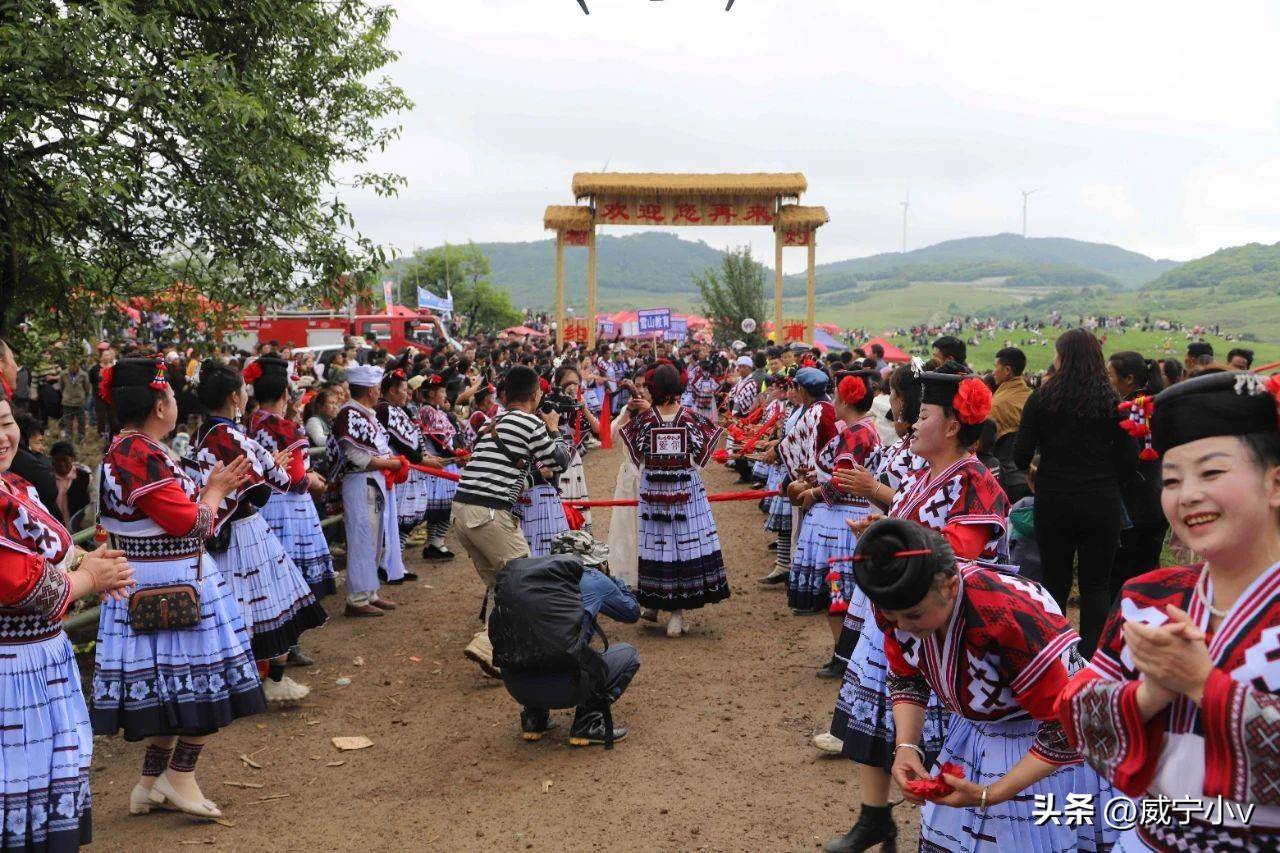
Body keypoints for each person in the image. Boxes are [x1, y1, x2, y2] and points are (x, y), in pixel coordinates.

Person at [1058, 370, 1280, 852]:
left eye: (1212, 472)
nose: (1187, 495)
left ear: (1275, 483)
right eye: (1172, 479)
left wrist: (1203, 684)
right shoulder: (1148, 597)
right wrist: (1150, 693)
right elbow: (1075, 713)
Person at [851, 519, 1117, 853]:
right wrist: (906, 745)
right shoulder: (899, 598)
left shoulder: (1005, 618)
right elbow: (908, 675)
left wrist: (991, 794)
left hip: (1047, 747)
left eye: (913, 616)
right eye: (893, 617)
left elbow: (1069, 727)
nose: (901, 626)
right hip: (978, 733)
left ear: (949, 586)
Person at [826, 364, 1007, 852]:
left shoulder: (976, 483)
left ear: (951, 425)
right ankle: (875, 817)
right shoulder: (923, 474)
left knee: (936, 741)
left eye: (922, 414)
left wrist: (892, 539)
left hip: (943, 631)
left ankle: (938, 830)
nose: (911, 423)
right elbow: (911, 530)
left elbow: (956, 554)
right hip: (896, 619)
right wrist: (880, 529)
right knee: (880, 721)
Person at [93, 356, 264, 820]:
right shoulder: (138, 453)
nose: (174, 403)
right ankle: (180, 776)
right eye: (168, 396)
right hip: (169, 585)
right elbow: (190, 525)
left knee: (173, 690)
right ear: (157, 405)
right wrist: (213, 491)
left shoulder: (133, 449)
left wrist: (213, 489)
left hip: (160, 582)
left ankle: (149, 784)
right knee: (198, 690)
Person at [0, 386, 134, 849]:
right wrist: (87, 580)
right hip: (10, 670)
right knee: (15, 783)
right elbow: (17, 580)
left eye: (5, 422)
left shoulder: (14, 487)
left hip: (41, 661)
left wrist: (88, 562)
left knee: (48, 775)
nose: (3, 436)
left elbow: (56, 548)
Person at [191, 359, 326, 703]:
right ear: (235, 398)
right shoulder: (233, 436)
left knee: (229, 608)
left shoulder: (198, 435)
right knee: (267, 606)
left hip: (213, 534)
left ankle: (237, 683)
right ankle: (271, 681)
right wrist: (273, 466)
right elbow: (263, 491)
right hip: (245, 532)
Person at [1014, 329, 1136, 657]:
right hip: (1101, 499)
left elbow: (1020, 454)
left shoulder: (1042, 398)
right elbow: (1129, 458)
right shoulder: (1113, 402)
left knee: (1055, 580)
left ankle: (1055, 653)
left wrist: (1034, 472)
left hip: (1054, 497)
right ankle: (1092, 659)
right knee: (1097, 584)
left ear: (1062, 357)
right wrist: (1108, 482)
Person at [452, 365, 566, 676]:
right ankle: (487, 643)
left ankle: (500, 651)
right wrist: (554, 427)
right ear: (535, 395)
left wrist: (532, 476)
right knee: (523, 580)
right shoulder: (531, 424)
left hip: (462, 513)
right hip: (488, 515)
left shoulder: (493, 422)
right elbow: (560, 461)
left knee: (500, 584)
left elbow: (503, 475)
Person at [493, 531, 639, 746]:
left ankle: (534, 719)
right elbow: (632, 612)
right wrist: (611, 579)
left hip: (516, 686)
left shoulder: (527, 579)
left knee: (538, 639)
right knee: (628, 654)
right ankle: (588, 722)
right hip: (566, 686)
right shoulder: (594, 578)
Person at [620, 362, 728, 638]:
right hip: (685, 491)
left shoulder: (644, 421)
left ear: (653, 389)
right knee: (684, 545)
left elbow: (632, 457)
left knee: (657, 545)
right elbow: (705, 455)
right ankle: (676, 616)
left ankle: (656, 602)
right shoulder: (690, 418)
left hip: (653, 492)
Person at [788, 369, 882, 677]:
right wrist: (814, 477)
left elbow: (842, 480)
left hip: (841, 521)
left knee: (838, 592)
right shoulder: (863, 430)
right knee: (839, 593)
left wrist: (813, 492)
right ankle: (844, 653)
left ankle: (844, 656)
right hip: (843, 518)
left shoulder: (858, 433)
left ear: (844, 400)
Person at [248, 356, 336, 613]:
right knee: (293, 578)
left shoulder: (251, 423)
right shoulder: (285, 428)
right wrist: (312, 479)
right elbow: (297, 478)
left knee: (273, 579)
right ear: (285, 393)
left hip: (263, 507)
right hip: (289, 508)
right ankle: (291, 646)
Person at [325, 363, 407, 617]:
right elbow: (358, 457)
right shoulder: (350, 415)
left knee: (375, 538)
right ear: (371, 390)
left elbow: (378, 450)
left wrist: (390, 461)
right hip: (361, 482)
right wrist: (391, 463)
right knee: (363, 539)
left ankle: (370, 591)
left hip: (375, 481)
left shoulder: (364, 414)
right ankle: (357, 598)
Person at [1107, 351, 1167, 602]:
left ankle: (1117, 634)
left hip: (1129, 508)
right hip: (1159, 502)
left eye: (1110, 375)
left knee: (1120, 581)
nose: (1108, 380)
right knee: (1146, 577)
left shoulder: (1125, 411)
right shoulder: (1159, 406)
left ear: (1128, 378)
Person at [412, 372, 463, 561]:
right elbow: (439, 440)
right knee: (443, 509)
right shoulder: (428, 411)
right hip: (439, 465)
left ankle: (435, 543)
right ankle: (435, 543)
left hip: (445, 464)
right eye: (441, 392)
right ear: (432, 394)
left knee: (442, 509)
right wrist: (456, 454)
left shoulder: (436, 410)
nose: (445, 395)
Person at [990, 347, 1032, 502]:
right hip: (1033, 477)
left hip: (1007, 479)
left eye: (996, 367)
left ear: (1007, 370)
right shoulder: (1031, 396)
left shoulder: (997, 404)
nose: (994, 372)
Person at [13, 413, 59, 515]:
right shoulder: (25, 460)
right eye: (38, 442)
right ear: (26, 437)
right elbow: (50, 491)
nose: (42, 448)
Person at [50, 440, 92, 530]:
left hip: (78, 529)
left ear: (73, 459)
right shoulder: (48, 479)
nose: (61, 464)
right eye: (57, 460)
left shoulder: (84, 477)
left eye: (65, 460)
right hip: (55, 529)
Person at [59, 360, 92, 441]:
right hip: (67, 401)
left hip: (80, 401)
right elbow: (61, 386)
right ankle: (68, 436)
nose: (73, 365)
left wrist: (83, 397)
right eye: (71, 363)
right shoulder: (63, 374)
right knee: (68, 420)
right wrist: (65, 395)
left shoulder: (83, 374)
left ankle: (81, 437)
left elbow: (87, 388)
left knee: (81, 421)